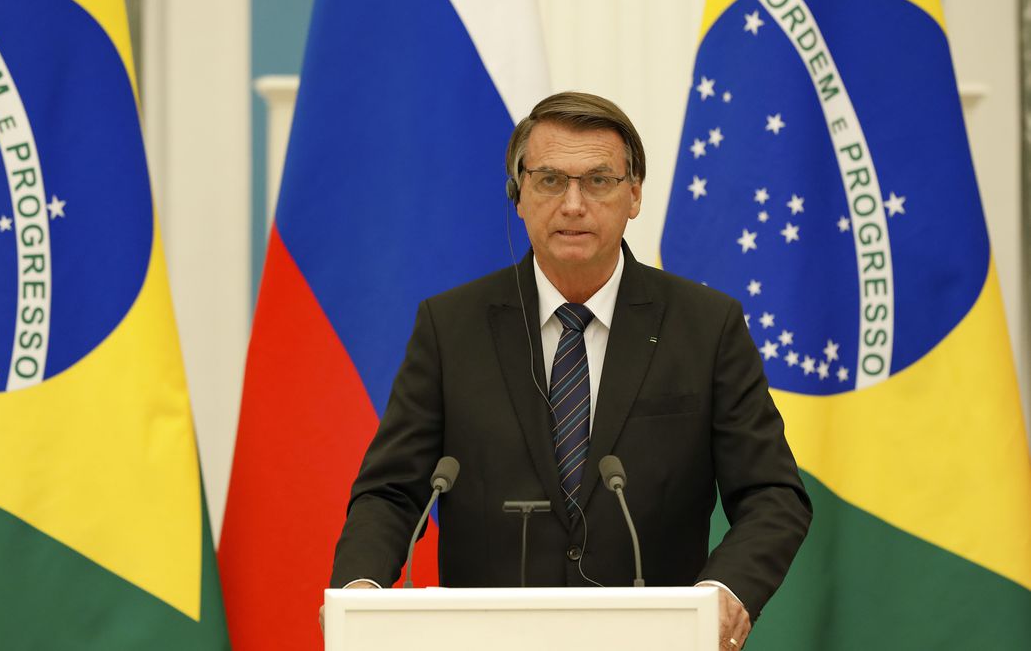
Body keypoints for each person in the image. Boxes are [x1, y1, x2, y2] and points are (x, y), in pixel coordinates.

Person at [329, 92, 811, 649]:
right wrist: (359, 593)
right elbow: (391, 492)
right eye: (551, 180)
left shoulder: (706, 326)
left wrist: (728, 591)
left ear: (633, 195)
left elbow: (773, 494)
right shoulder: (450, 326)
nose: (574, 204)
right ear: (519, 195)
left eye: (599, 181)